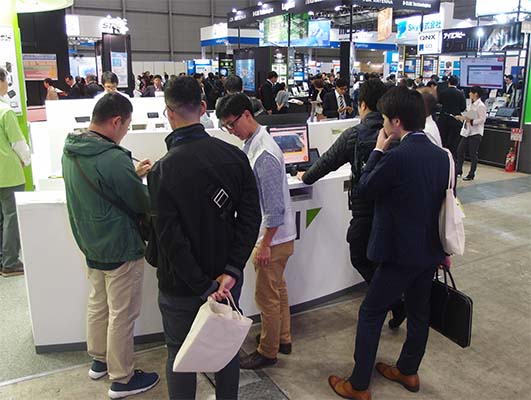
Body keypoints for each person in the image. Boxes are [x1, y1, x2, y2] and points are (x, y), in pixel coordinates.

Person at [328, 87, 449, 400]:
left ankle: (358, 385)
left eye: (383, 119)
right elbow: (446, 205)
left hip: (397, 253)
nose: (381, 124)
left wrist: (378, 151)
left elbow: (365, 188)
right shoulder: (442, 156)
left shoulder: (395, 156)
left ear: (396, 122)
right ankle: (408, 370)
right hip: (429, 252)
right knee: (419, 313)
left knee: (371, 313)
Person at [147, 77, 261, 400]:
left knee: (179, 354)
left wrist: (202, 285)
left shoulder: (162, 171)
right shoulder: (235, 156)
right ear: (203, 107)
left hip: (181, 286)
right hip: (226, 280)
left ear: (169, 113)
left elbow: (170, 239)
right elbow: (250, 219)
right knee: (226, 349)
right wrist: (232, 270)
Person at [61, 93, 159, 399]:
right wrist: (142, 181)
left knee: (98, 304)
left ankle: (99, 360)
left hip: (91, 243)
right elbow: (141, 202)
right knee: (122, 314)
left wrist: (132, 174)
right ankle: (122, 378)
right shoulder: (113, 158)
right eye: (127, 125)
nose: (126, 131)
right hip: (120, 245)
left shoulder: (71, 149)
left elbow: (101, 186)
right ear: (116, 121)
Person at [300, 79, 405, 328]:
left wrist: (304, 177)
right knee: (383, 260)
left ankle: (392, 302)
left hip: (364, 210)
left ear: (363, 104)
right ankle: (394, 300)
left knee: (359, 256)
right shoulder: (398, 135)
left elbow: (325, 163)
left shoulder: (355, 135)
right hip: (394, 211)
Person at [217, 93, 297, 370]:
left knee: (266, 297)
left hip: (272, 239)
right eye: (226, 126)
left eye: (232, 124)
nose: (231, 130)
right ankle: (283, 338)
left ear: (247, 115)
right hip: (280, 237)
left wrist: (264, 244)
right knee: (277, 288)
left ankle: (268, 351)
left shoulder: (263, 154)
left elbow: (274, 208)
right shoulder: (254, 144)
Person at [0, 67, 31, 277]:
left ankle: (3, 259)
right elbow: (18, 142)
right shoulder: (5, 111)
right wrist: (26, 159)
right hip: (8, 172)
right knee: (11, 217)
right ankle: (10, 262)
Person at [455, 86, 487, 181]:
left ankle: (471, 174)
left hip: (475, 132)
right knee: (460, 150)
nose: (469, 94)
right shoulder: (471, 104)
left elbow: (482, 119)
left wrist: (471, 121)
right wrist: (462, 118)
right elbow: (468, 115)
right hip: (467, 131)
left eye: (470, 92)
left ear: (475, 94)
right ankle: (459, 171)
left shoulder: (481, 106)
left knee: (473, 154)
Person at [437, 75, 466, 158]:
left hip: (444, 118)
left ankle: (442, 157)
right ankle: (453, 158)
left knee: (443, 139)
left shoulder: (443, 92)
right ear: (457, 83)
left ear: (448, 82)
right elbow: (463, 107)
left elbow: (439, 102)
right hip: (456, 119)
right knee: (454, 141)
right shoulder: (460, 93)